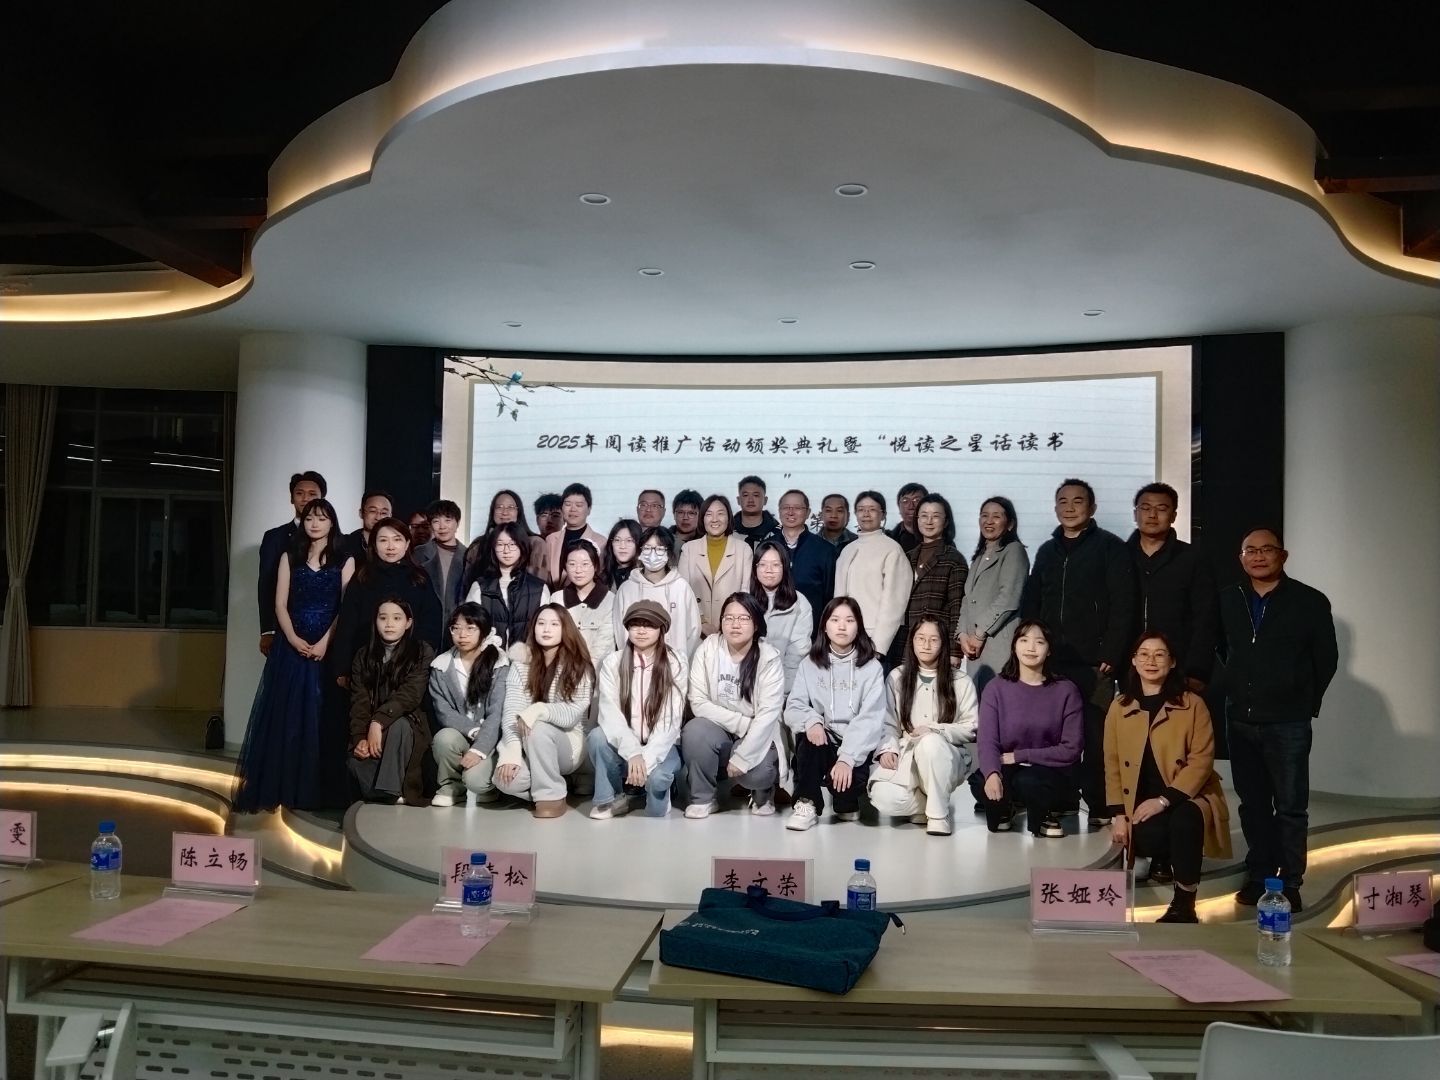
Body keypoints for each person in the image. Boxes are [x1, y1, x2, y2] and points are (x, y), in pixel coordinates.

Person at [1218, 528, 1337, 912]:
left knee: (1290, 807)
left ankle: (1291, 882)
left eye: (1266, 549)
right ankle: (1260, 875)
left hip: (1288, 722)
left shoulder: (1309, 601)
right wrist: (1236, 685)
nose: (1258, 556)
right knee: (1252, 805)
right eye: (1250, 550)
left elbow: (1326, 658)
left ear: (1282, 556)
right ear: (1241, 558)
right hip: (1241, 719)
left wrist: (1302, 701)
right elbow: (1220, 648)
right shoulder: (1228, 599)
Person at [1021, 478, 1135, 830]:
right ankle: (1061, 802)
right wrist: (1030, 648)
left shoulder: (1110, 547)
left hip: (1094, 663)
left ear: (1092, 507)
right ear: (1055, 507)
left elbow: (1123, 605)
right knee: (1055, 736)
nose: (1070, 507)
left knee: (1096, 736)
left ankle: (1100, 805)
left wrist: (1112, 651)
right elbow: (1032, 602)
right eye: (1063, 501)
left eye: (1078, 501)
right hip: (1052, 661)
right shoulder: (1047, 551)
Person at [1105, 632, 1232, 923]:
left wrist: (1163, 800)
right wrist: (1118, 814)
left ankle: (1184, 902)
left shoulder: (1193, 704)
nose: (1151, 661)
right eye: (1143, 654)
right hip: (1139, 800)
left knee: (1184, 821)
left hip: (1187, 794)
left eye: (1159, 654)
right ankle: (1162, 857)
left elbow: (1201, 761)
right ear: (1133, 661)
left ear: (1172, 662)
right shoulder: (1119, 706)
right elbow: (1111, 763)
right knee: (1147, 834)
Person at [236, 496, 353, 812]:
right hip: (291, 647)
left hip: (327, 647)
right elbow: (279, 604)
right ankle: (283, 788)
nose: (315, 523)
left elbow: (345, 607)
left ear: (332, 523)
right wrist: (292, 638)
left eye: (322, 518)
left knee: (321, 716)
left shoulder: (345, 559)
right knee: (287, 717)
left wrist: (326, 642)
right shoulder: (290, 556)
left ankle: (315, 791)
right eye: (310, 518)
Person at [867, 616, 978, 835]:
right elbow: (887, 721)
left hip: (945, 755)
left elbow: (971, 727)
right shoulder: (897, 676)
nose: (926, 645)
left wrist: (936, 730)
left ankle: (938, 816)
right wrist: (888, 748)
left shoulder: (960, 681)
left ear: (943, 643)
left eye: (933, 640)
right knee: (882, 797)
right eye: (920, 638)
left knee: (930, 743)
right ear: (912, 641)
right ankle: (932, 803)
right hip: (907, 753)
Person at [783, 597, 887, 831]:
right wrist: (812, 721)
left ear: (858, 627)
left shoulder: (871, 668)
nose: (842, 626)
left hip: (855, 746)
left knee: (847, 788)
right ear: (824, 626)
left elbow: (870, 719)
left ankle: (845, 800)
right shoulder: (809, 664)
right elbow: (794, 705)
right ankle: (806, 803)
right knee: (808, 739)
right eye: (835, 620)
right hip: (825, 740)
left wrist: (847, 757)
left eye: (849, 620)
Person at [977, 620, 1083, 837]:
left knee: (1030, 782)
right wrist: (992, 773)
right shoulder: (996, 688)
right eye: (1024, 640)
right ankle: (1007, 807)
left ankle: (1044, 815)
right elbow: (987, 740)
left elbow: (1071, 748)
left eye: (1039, 642)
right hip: (1008, 766)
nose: (1031, 648)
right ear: (1014, 646)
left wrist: (1020, 755)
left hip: (1048, 769)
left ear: (1049, 649)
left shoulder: (1066, 690)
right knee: (980, 780)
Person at [684, 592, 786, 817]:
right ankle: (703, 798)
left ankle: (763, 793)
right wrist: (742, 724)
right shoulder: (708, 648)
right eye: (728, 618)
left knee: (756, 773)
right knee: (694, 731)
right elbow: (698, 702)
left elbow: (767, 715)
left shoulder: (768, 658)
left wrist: (743, 758)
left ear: (756, 624)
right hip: (723, 728)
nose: (735, 624)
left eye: (743, 618)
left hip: (757, 731)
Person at [587, 599, 687, 819]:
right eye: (635, 624)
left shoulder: (676, 662)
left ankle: (660, 788)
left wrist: (645, 760)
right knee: (597, 737)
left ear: (661, 630)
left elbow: (670, 719)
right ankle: (613, 798)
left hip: (663, 744)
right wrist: (633, 752)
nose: (641, 630)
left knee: (656, 809)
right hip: (627, 742)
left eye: (649, 625)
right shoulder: (613, 662)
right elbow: (610, 713)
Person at [494, 605, 596, 817]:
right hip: (528, 743)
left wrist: (539, 710)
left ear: (565, 629)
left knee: (538, 727)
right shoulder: (520, 664)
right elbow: (512, 711)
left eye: (554, 624)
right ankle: (551, 784)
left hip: (568, 744)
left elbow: (571, 714)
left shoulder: (578, 665)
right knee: (504, 781)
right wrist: (512, 752)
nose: (546, 629)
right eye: (541, 623)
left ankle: (551, 797)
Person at [331, 518, 442, 683]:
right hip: (366, 664)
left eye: (397, 539)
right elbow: (347, 624)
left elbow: (431, 621)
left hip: (410, 665)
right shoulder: (362, 577)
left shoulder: (419, 577)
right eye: (383, 540)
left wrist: (419, 656)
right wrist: (342, 668)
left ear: (407, 544)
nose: (390, 547)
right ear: (374, 545)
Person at [1128, 483, 1217, 688]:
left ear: (1174, 515)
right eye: (1145, 508)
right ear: (1135, 514)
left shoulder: (1193, 559)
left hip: (1180, 667)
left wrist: (1198, 670)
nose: (1152, 515)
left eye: (1161, 508)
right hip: (1130, 668)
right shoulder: (1119, 557)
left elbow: (1205, 618)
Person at [347, 598, 435, 806]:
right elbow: (359, 701)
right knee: (355, 759)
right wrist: (360, 737)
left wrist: (378, 721)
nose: (389, 624)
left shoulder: (421, 651)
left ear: (408, 622)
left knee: (398, 727)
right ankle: (384, 794)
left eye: (397, 618)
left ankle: (389, 792)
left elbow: (410, 694)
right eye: (383, 618)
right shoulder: (364, 655)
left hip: (409, 723)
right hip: (371, 726)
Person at [428, 603, 509, 807]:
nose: (462, 635)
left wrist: (480, 747)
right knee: (444, 738)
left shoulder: (499, 662)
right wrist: (472, 731)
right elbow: (444, 711)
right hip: (463, 736)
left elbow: (497, 712)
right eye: (456, 628)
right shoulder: (441, 665)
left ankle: (489, 788)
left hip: (493, 738)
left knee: (476, 781)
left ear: (484, 631)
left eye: (470, 628)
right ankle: (451, 787)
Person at [958, 496, 1029, 694]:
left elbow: (1008, 598)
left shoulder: (1013, 550)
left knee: (1000, 697)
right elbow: (967, 599)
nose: (989, 521)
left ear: (1010, 523)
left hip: (998, 642)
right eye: (984, 515)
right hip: (974, 646)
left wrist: (979, 634)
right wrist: (962, 634)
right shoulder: (980, 555)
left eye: (996, 516)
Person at [834, 490, 912, 657]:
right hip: (845, 634)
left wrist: (878, 645)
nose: (866, 514)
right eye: (861, 509)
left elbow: (894, 602)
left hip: (874, 636)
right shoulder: (848, 549)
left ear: (882, 515)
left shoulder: (892, 549)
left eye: (872, 509)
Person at [258, 470, 326, 656]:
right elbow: (266, 584)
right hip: (284, 628)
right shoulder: (274, 537)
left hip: (324, 630)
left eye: (312, 494)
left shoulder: (336, 539)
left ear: (322, 499)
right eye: (299, 493)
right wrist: (268, 630)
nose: (305, 498)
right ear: (291, 498)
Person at [897, 493, 968, 662]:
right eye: (924, 516)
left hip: (937, 644)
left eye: (935, 516)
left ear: (946, 521)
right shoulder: (907, 557)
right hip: (905, 643)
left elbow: (957, 607)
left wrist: (955, 651)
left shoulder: (954, 559)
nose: (929, 521)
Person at [613, 526, 701, 659]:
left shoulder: (681, 587)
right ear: (640, 552)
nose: (652, 554)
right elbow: (620, 630)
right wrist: (631, 660)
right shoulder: (626, 589)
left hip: (675, 664)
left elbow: (693, 629)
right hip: (635, 663)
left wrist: (680, 660)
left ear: (669, 553)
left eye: (659, 549)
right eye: (647, 548)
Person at [463, 522, 551, 650]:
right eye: (500, 544)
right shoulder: (479, 587)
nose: (506, 550)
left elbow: (546, 630)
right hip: (489, 658)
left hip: (528, 659)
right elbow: (470, 628)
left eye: (512, 544)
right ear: (493, 548)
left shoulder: (539, 588)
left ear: (522, 547)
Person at [678, 494, 754, 637]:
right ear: (702, 518)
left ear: (728, 518)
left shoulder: (743, 550)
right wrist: (701, 622)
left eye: (720, 514)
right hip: (695, 628)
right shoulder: (688, 549)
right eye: (709, 514)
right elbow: (682, 591)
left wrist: (729, 622)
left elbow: (746, 592)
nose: (714, 519)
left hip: (732, 628)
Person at [763, 489, 836, 632]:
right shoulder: (766, 546)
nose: (791, 512)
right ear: (779, 511)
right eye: (786, 507)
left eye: (797, 508)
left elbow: (830, 595)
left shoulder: (825, 550)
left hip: (811, 630)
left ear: (808, 512)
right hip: (771, 629)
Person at [749, 541, 813, 693]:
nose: (769, 570)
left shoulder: (799, 603)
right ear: (755, 568)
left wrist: (783, 691)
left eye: (775, 565)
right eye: (762, 564)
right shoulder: (744, 600)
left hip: (782, 686)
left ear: (785, 567)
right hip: (747, 683)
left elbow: (797, 654)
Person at [466, 489, 548, 581]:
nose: (505, 512)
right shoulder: (478, 545)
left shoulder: (534, 543)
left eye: (510, 507)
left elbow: (538, 583)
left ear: (518, 512)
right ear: (492, 511)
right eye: (499, 507)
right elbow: (466, 582)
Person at [560, 539, 616, 666]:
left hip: (598, 670)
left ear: (595, 566)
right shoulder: (557, 599)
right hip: (563, 669)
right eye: (572, 564)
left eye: (585, 564)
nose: (578, 570)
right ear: (565, 566)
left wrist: (585, 672)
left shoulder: (610, 600)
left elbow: (604, 646)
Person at [414, 499, 467, 630]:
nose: (442, 527)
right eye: (436, 521)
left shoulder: (469, 556)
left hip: (458, 627)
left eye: (448, 520)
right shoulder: (418, 554)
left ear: (457, 523)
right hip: (425, 625)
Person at [543, 482, 607, 586]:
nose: (573, 509)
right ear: (562, 508)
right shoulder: (550, 540)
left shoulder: (601, 542)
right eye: (568, 504)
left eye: (579, 505)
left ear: (589, 510)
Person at [341, 490, 393, 562]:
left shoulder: (397, 547)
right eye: (373, 511)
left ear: (390, 516)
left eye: (384, 513)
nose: (378, 517)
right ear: (361, 513)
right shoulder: (344, 544)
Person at [733, 475, 778, 547]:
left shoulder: (777, 533)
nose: (750, 500)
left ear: (765, 500)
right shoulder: (728, 531)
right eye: (745, 495)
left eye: (756, 495)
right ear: (738, 500)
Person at [887, 482, 927, 554]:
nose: (911, 506)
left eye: (917, 500)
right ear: (899, 507)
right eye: (905, 501)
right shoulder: (888, 538)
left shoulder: (942, 538)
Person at [606, 518, 643, 590]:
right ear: (611, 544)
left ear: (639, 544)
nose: (622, 546)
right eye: (617, 540)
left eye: (629, 540)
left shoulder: (645, 576)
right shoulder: (604, 576)